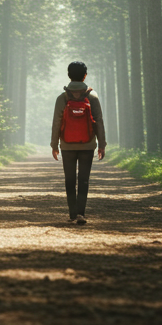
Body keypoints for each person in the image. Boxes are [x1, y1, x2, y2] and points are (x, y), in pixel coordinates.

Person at [50, 60, 107, 225]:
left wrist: (54, 145)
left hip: (67, 145)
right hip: (87, 145)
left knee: (69, 179)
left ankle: (72, 213)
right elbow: (99, 122)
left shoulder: (62, 97)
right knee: (83, 179)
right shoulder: (92, 96)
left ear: (69, 75)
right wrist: (102, 144)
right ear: (85, 75)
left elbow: (56, 122)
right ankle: (81, 213)